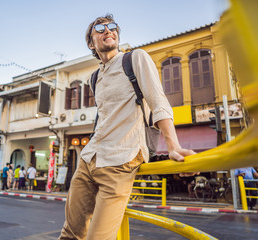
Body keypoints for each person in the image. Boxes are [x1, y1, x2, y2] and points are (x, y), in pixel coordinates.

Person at [59, 14, 195, 240]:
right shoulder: (95, 78)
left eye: (112, 27)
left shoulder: (135, 59)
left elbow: (157, 100)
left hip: (120, 160)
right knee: (70, 234)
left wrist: (173, 144)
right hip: (89, 159)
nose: (108, 31)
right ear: (91, 43)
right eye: (100, 28)